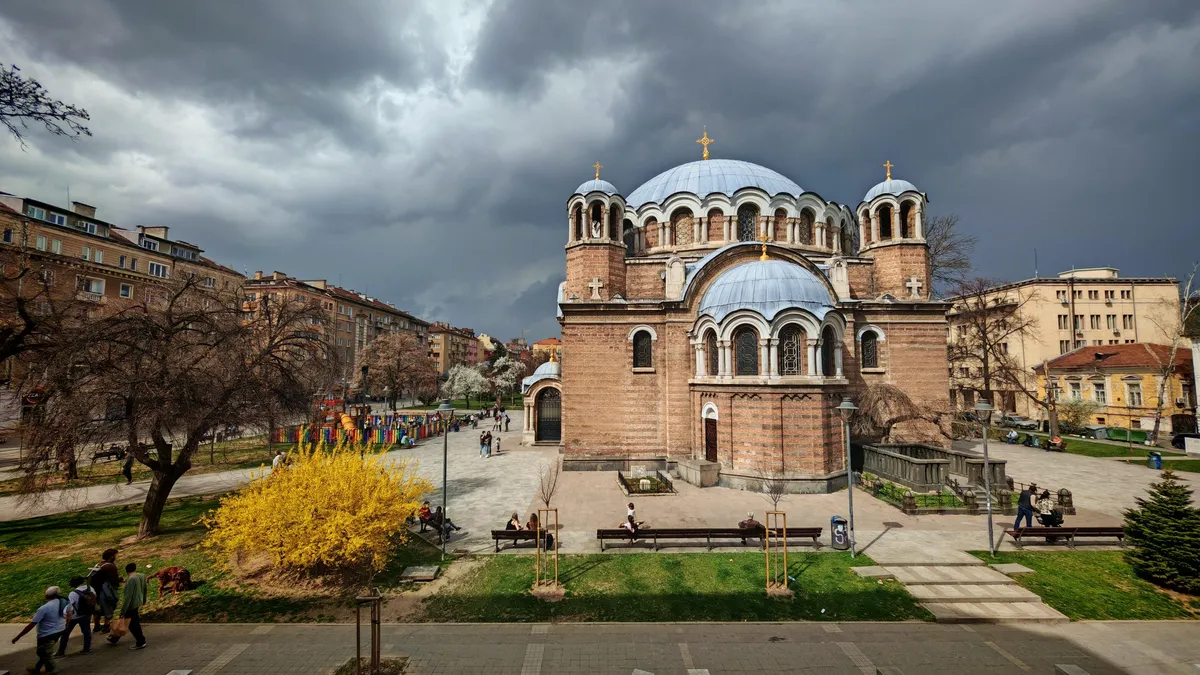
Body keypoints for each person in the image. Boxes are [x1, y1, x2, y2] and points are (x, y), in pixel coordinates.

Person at [11, 586, 73, 674]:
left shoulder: (44, 608)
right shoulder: (65, 602)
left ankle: (51, 670)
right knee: (44, 652)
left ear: (47, 596)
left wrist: (18, 637)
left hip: (46, 635)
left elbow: (32, 624)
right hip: (59, 631)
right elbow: (69, 615)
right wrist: (65, 625)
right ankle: (37, 669)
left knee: (45, 653)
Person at [107, 562, 147, 650]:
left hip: (131, 605)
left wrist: (123, 610)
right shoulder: (141, 576)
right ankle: (114, 638)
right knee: (129, 621)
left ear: (126, 571)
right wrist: (144, 599)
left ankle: (141, 641)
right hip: (138, 602)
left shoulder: (131, 580)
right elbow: (144, 588)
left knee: (132, 624)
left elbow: (128, 597)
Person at [56, 576, 96, 656]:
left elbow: (70, 608)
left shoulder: (73, 594)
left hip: (74, 617)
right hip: (86, 614)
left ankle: (61, 652)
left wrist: (67, 619)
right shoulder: (90, 588)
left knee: (65, 634)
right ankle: (86, 649)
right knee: (86, 632)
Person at [89, 549, 121, 633]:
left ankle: (97, 626)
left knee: (97, 610)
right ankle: (106, 627)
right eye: (115, 555)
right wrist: (120, 580)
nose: (116, 557)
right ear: (111, 556)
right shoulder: (110, 566)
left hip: (95, 591)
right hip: (105, 591)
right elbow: (114, 579)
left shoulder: (98, 564)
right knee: (108, 608)